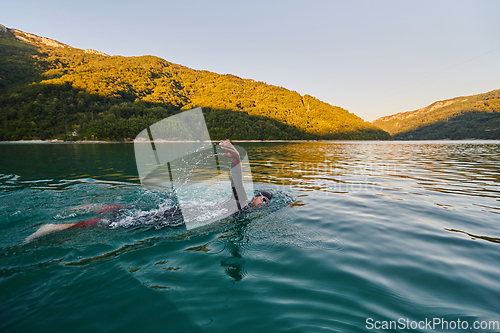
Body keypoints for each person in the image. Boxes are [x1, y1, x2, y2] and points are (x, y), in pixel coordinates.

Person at [25, 140, 273, 243]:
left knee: (130, 216)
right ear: (255, 197)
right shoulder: (241, 205)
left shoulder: (243, 212)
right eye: (261, 196)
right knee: (118, 226)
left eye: (265, 200)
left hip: (182, 215)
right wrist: (237, 161)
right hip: (180, 216)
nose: (262, 200)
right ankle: (56, 228)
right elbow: (237, 185)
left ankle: (97, 207)